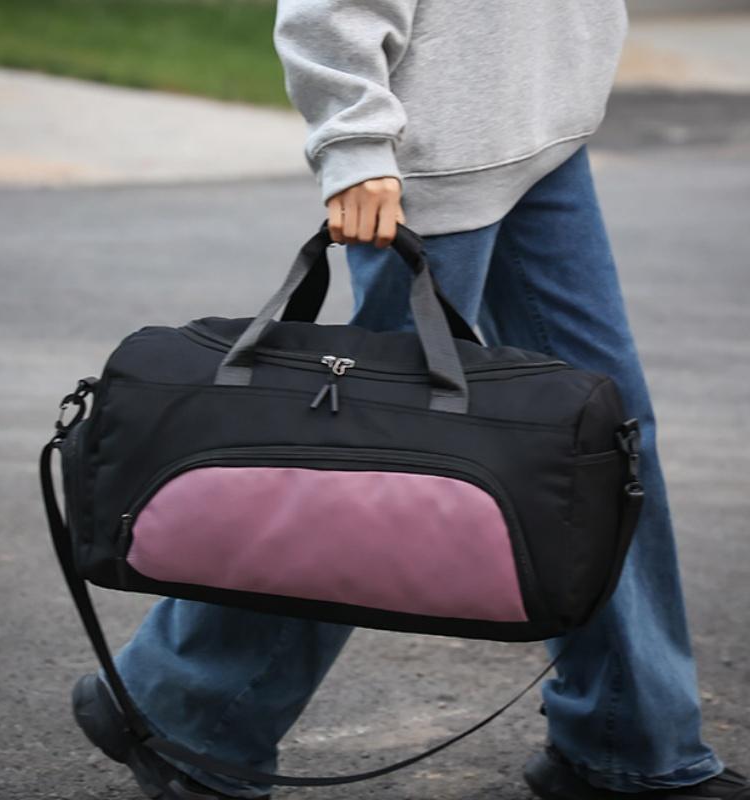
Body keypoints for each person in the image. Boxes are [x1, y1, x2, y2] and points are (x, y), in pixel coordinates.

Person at [71, 2, 750, 799]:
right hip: (427, 152)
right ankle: (183, 714)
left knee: (609, 444)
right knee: (366, 461)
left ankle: (627, 744)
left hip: (542, 132)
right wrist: (355, 138)